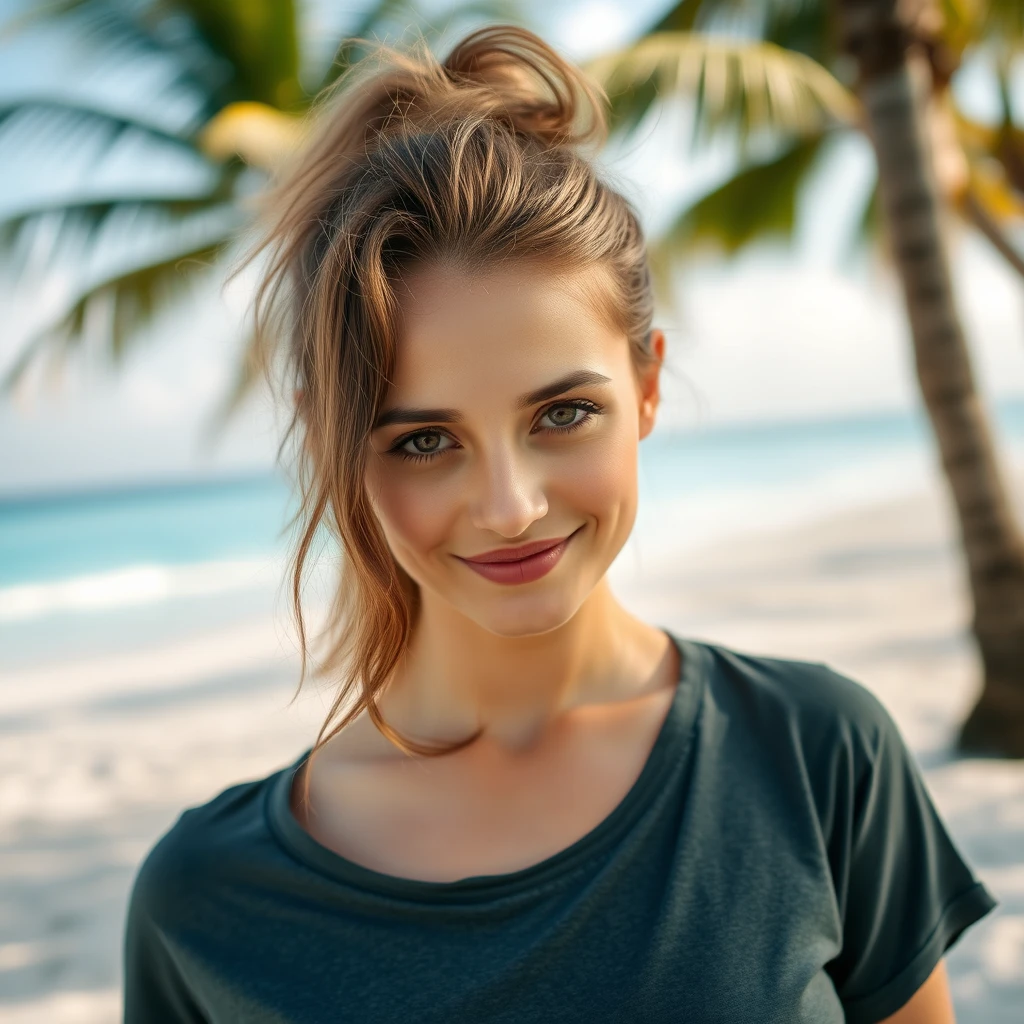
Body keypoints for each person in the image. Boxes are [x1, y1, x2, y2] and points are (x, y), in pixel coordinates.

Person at [121, 24, 998, 1024]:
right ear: (339, 444)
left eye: (561, 414)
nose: (508, 506)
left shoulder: (817, 755)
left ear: (648, 384)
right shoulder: (204, 902)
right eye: (421, 441)